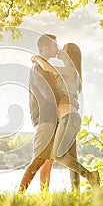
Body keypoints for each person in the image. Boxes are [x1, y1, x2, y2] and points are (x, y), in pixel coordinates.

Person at [19, 34, 80, 193]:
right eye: (55, 45)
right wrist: (67, 98)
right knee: (39, 158)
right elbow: (48, 94)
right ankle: (19, 194)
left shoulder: (47, 66)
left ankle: (44, 195)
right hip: (44, 118)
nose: (57, 48)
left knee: (49, 160)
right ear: (45, 48)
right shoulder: (38, 67)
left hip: (53, 118)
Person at [33, 43, 100, 186]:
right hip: (70, 118)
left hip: (68, 118)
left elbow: (46, 67)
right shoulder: (68, 72)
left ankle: (90, 175)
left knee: (58, 154)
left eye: (63, 48)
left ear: (69, 54)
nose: (60, 50)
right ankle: (76, 196)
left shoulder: (70, 70)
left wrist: (36, 57)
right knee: (72, 158)